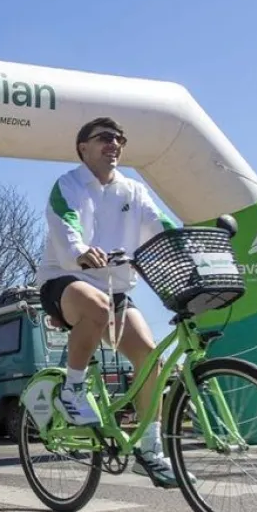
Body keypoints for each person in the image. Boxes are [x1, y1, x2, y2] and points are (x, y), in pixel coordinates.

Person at [34, 116, 183, 489]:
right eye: (104, 138)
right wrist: (79, 250)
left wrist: (184, 245)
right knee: (97, 307)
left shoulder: (133, 190)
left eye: (120, 139)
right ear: (83, 147)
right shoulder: (67, 184)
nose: (114, 144)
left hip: (114, 285)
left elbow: (159, 223)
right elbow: (64, 220)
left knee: (150, 357)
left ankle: (149, 449)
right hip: (65, 279)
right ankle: (73, 387)